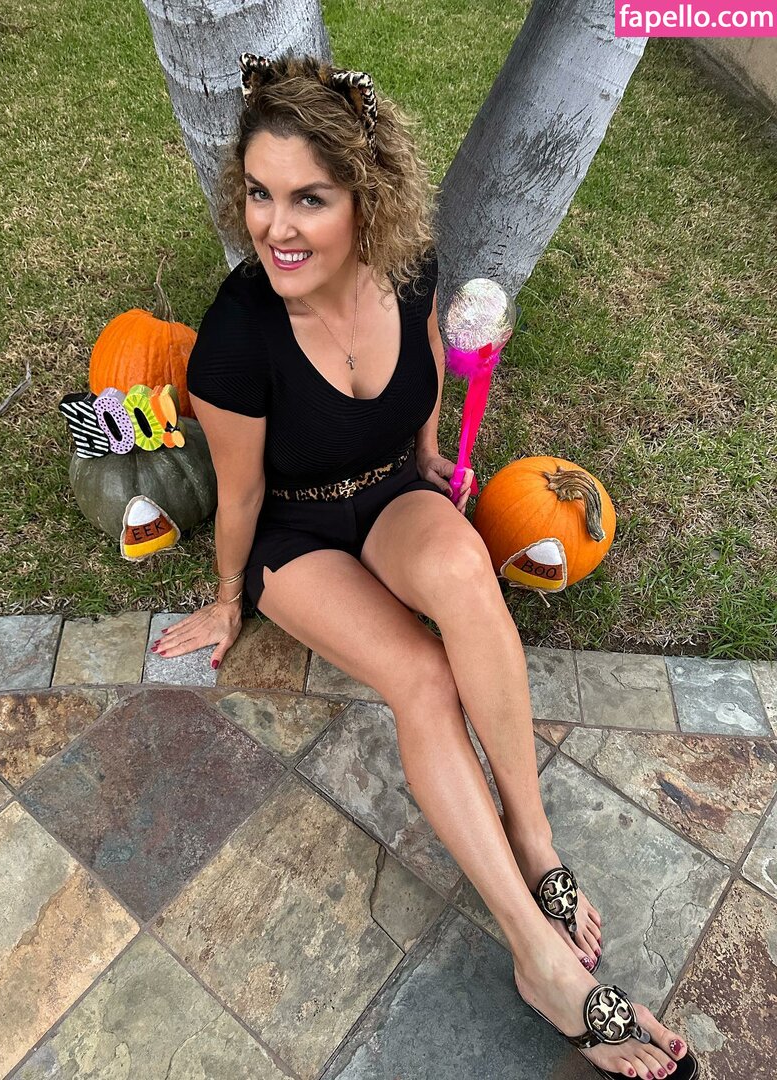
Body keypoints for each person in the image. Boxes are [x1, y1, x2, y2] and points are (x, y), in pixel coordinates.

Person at [151, 52, 696, 1080]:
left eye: (309, 198)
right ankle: (541, 961)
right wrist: (227, 601)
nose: (276, 227)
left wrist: (432, 446)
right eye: (260, 194)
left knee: (465, 575)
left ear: (367, 197)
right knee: (422, 676)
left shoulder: (409, 270)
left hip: (388, 490)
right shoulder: (233, 339)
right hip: (295, 534)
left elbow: (432, 365)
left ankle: (535, 841)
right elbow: (242, 495)